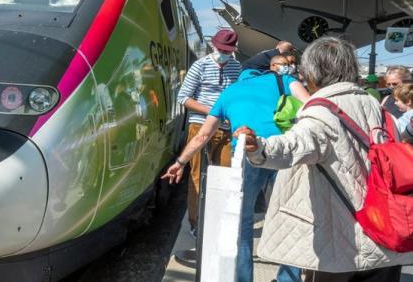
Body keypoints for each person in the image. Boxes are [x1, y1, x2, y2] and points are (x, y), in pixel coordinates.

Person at [235, 37, 413, 281]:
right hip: (389, 231)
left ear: (313, 72)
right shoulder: (380, 110)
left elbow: (294, 144)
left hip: (344, 242)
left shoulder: (321, 110)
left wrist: (259, 147)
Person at [164, 53, 310, 282]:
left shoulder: (229, 92)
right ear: (266, 71)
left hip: (247, 154)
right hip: (284, 152)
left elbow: (202, 135)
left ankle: (243, 279)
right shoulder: (285, 81)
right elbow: (310, 107)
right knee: (288, 217)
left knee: (242, 221)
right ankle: (287, 279)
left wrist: (179, 162)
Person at [177, 29, 242, 238]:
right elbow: (183, 97)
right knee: (196, 175)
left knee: (225, 173)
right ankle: (196, 222)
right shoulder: (200, 65)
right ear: (214, 46)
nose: (223, 54)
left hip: (225, 129)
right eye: (221, 49)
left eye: (227, 51)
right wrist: (213, 112)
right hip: (200, 125)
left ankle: (221, 219)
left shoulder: (236, 68)